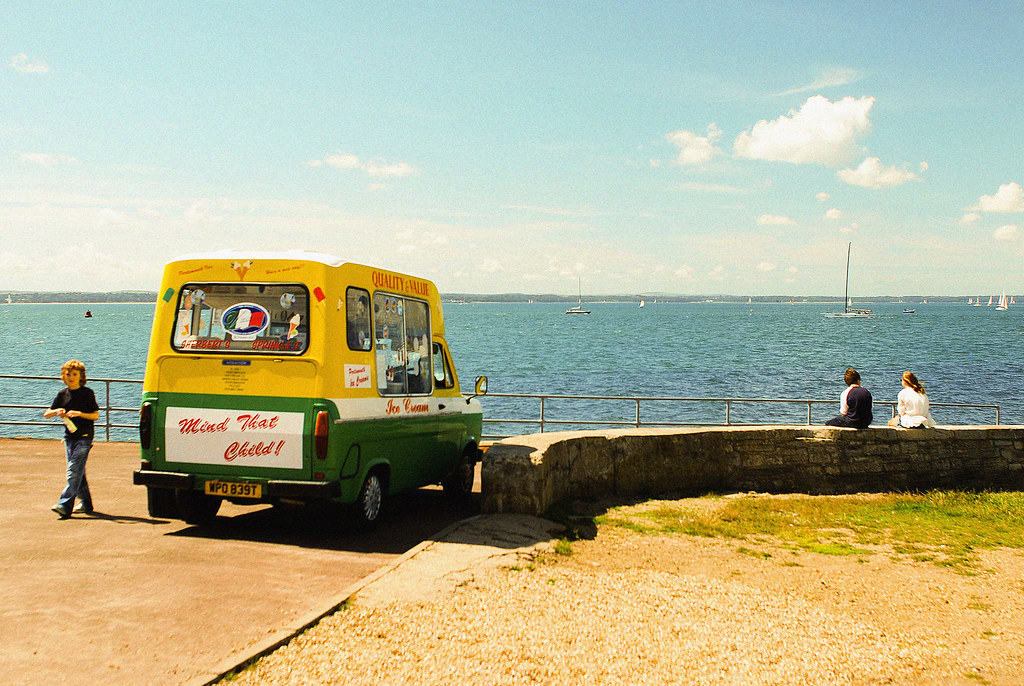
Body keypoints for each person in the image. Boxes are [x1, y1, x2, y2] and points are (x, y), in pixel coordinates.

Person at [43, 360, 100, 519]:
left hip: (84, 436)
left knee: (73, 470)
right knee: (78, 472)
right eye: (68, 374)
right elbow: (46, 413)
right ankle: (86, 504)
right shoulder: (62, 394)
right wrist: (56, 411)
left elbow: (95, 415)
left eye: (75, 374)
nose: (71, 377)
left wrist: (79, 414)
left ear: (81, 376)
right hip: (69, 437)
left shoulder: (87, 393)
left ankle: (64, 505)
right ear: (64, 376)